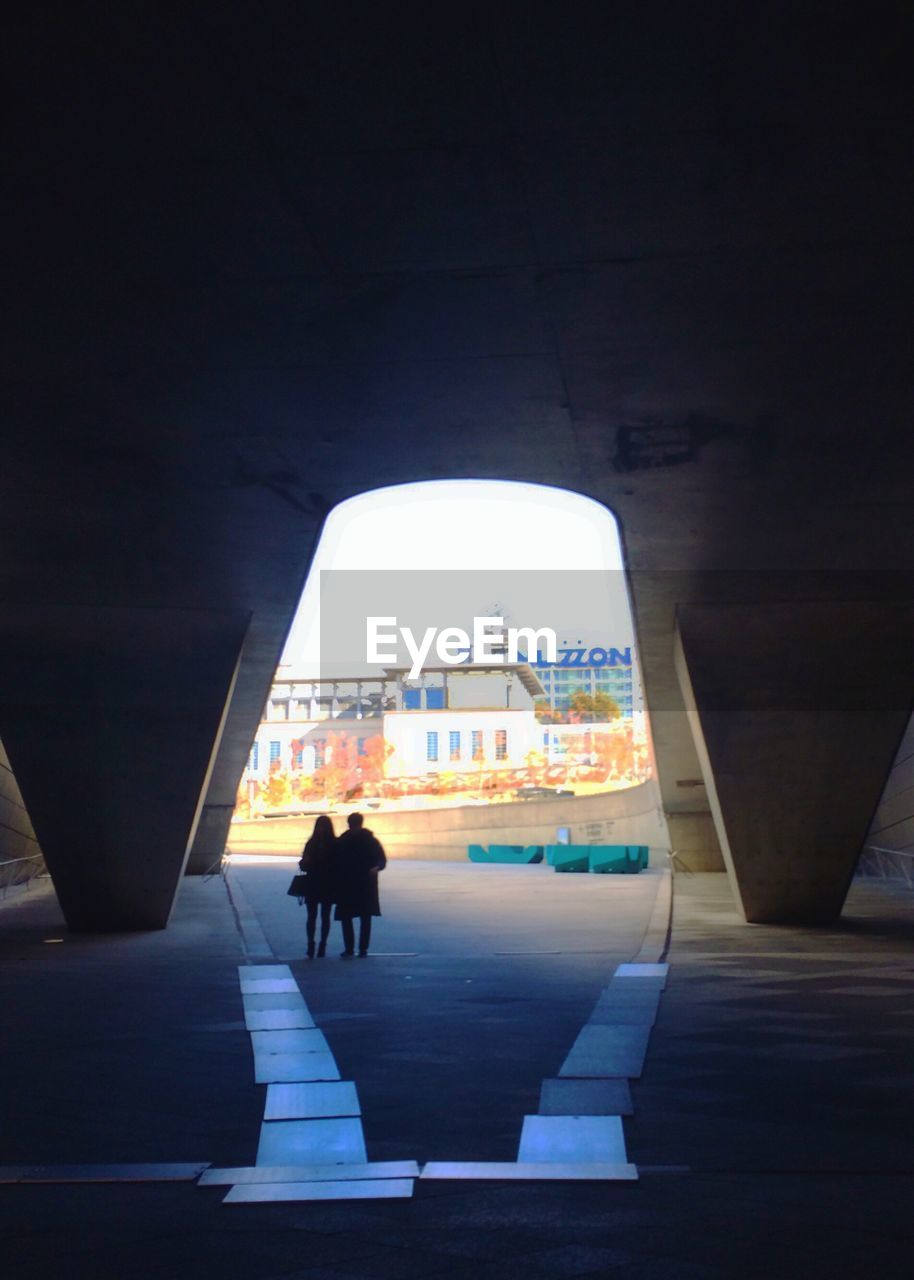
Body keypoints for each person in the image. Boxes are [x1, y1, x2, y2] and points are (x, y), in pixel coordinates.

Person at [334, 812, 386, 957]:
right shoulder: (371, 840)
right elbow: (381, 860)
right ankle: (363, 949)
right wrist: (376, 868)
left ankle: (349, 948)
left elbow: (335, 862)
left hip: (346, 883)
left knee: (346, 916)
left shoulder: (342, 841)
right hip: (366, 884)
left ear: (349, 823)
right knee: (365, 916)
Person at [299, 814, 337, 959]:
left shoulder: (311, 843)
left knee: (312, 916)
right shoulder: (334, 843)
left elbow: (304, 864)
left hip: (312, 882)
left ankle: (311, 945)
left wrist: (306, 862)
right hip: (327, 883)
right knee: (324, 916)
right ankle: (322, 945)